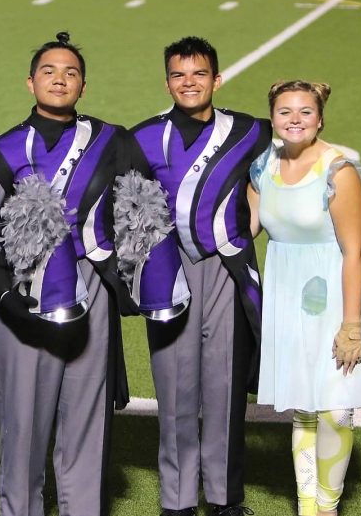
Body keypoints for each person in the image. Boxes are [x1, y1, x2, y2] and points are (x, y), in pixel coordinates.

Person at [0, 31, 131, 516]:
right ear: (30, 83)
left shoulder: (110, 141)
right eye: (49, 71)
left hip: (91, 294)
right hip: (21, 298)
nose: (60, 80)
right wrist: (7, 298)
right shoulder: (3, 150)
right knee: (22, 430)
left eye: (71, 73)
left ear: (83, 86)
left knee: (86, 421)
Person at [126, 36, 272, 516]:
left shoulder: (250, 131)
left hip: (226, 270)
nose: (189, 83)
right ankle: (178, 500)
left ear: (217, 78)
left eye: (199, 74)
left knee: (225, 390)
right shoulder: (143, 137)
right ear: (167, 81)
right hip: (168, 273)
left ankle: (225, 499)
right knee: (174, 389)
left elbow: (284, 164)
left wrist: (250, 226)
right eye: (178, 75)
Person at [249, 80, 361, 516]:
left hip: (341, 294)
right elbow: (245, 229)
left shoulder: (337, 171)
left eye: (305, 111)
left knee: (336, 409)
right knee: (303, 408)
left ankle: (327, 506)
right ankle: (308, 505)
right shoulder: (262, 166)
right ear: (272, 118)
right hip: (287, 293)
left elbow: (353, 252)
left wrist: (351, 326)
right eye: (285, 111)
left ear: (320, 118)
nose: (294, 119)